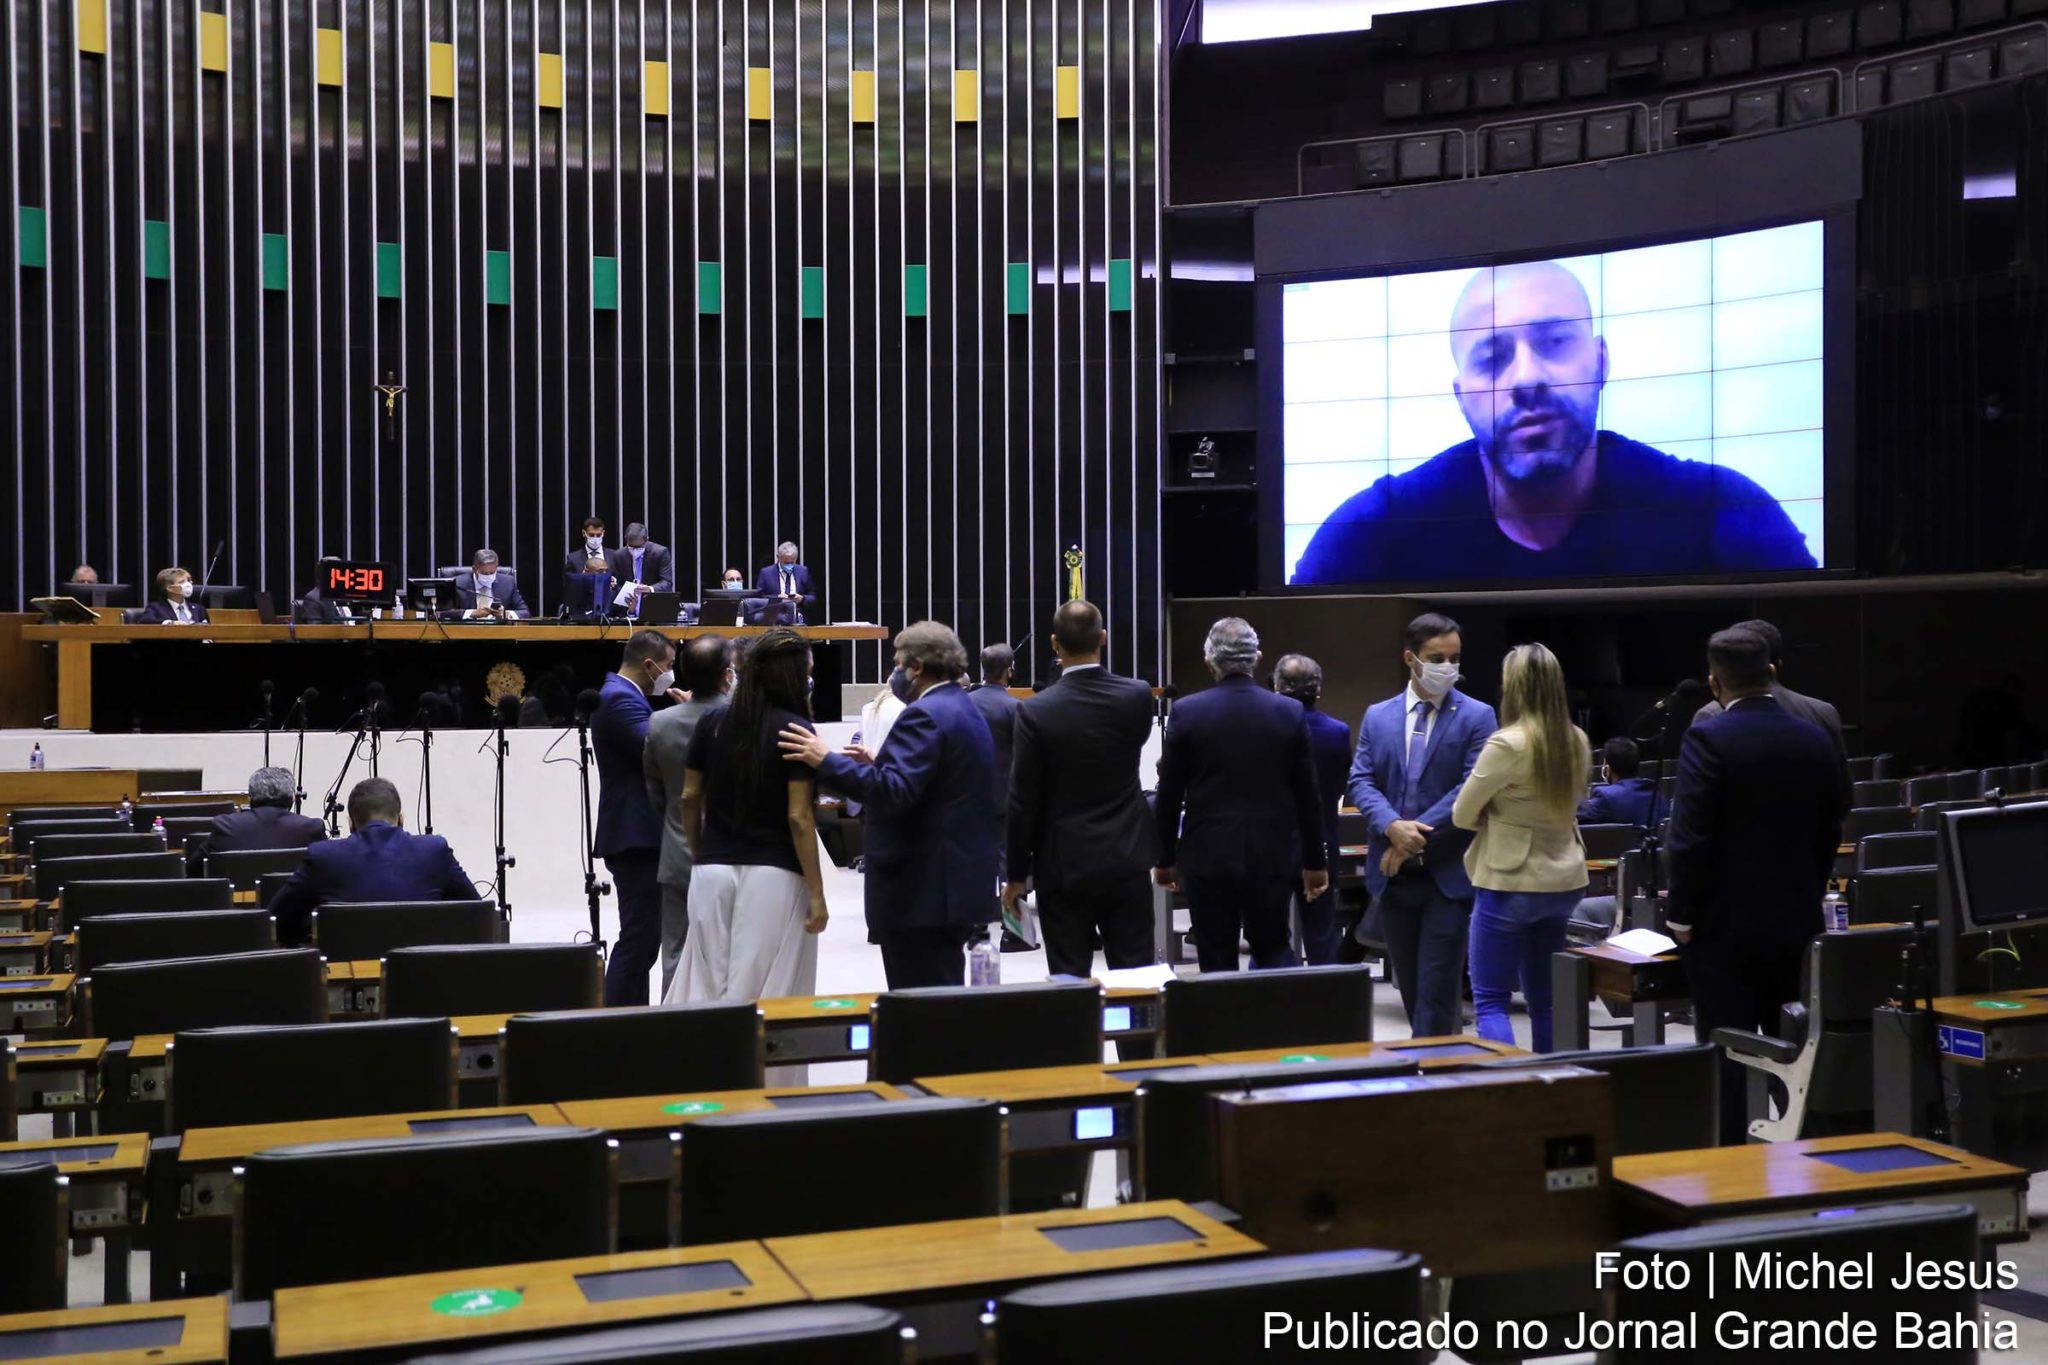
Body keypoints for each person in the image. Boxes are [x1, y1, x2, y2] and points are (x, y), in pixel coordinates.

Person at [1292, 261, 1816, 585]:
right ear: (1460, 396)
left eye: (1554, 342)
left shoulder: (1720, 509)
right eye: (1492, 357)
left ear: (1601, 362)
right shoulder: (1371, 530)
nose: (1527, 378)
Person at [1667, 626, 1847, 1145]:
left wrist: (1681, 914)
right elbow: (1833, 823)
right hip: (1797, 919)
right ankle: (1802, 1149)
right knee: (1792, 1045)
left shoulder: (1707, 737)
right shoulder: (1814, 736)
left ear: (1714, 682)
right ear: (1772, 672)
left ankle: (1732, 1156)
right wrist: (1808, 886)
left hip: (1724, 928)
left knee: (1728, 1048)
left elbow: (1690, 837)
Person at [781, 622, 999, 988]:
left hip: (922, 890)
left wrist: (825, 760)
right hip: (952, 883)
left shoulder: (923, 714)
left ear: (917, 666)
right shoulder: (961, 706)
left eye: (898, 663)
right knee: (943, 993)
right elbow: (932, 783)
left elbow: (893, 792)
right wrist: (880, 764)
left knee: (920, 1002)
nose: (895, 672)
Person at [1347, 612, 1496, 1038]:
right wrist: (1392, 826)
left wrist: (1409, 837)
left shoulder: (1478, 715)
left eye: (1454, 658)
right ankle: (1439, 1063)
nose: (1448, 667)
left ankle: (1428, 1068)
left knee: (1437, 990)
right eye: (1437, 658)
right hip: (1394, 878)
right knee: (1412, 990)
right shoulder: (1379, 715)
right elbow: (1361, 780)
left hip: (1447, 874)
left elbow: (1470, 788)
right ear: (1410, 658)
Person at [1153, 619, 1329, 972]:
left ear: (1209, 662)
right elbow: (1308, 796)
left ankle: (1222, 1010)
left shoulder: (1187, 711)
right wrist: (1314, 862)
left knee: (1215, 957)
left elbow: (1169, 793)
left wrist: (1164, 858)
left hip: (1208, 855)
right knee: (1273, 949)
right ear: (1258, 658)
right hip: (1272, 855)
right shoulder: (1289, 711)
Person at [667, 628, 827, 1015]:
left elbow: (689, 797)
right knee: (769, 991)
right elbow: (799, 817)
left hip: (711, 869)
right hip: (775, 873)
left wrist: (699, 851)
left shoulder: (712, 722)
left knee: (704, 985)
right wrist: (818, 893)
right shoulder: (797, 730)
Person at [1003, 601, 1157, 979]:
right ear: (1103, 638)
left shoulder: (1035, 710)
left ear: (1054, 644)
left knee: (1069, 980)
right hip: (1126, 856)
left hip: (1062, 863)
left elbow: (1023, 800)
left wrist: (1017, 875)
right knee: (1135, 979)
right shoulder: (1138, 695)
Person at [1452, 644, 1591, 1052]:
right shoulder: (1577, 739)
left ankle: (1509, 1083)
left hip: (1510, 881)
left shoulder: (1506, 744)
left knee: (1491, 1001)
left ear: (1512, 687)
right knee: (1545, 1002)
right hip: (1564, 881)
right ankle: (1548, 1080)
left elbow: (1462, 814)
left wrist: (1495, 816)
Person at [266, 777, 480, 944]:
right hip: (422, 974)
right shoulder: (435, 850)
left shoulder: (323, 856)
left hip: (343, 973)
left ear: (351, 823)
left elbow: (276, 921)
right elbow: (476, 914)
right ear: (401, 819)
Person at [643, 635, 733, 998]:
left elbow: (656, 794)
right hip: (734, 853)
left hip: (678, 847)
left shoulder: (660, 723)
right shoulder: (744, 719)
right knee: (731, 953)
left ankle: (673, 1023)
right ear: (727, 674)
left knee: (675, 954)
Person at [592, 629, 675, 1004]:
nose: (670, 674)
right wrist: (688, 716)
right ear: (649, 664)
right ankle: (617, 1018)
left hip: (639, 831)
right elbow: (657, 751)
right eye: (669, 665)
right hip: (634, 833)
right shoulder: (619, 699)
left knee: (645, 940)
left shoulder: (625, 695)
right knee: (638, 938)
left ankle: (632, 1016)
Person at [1275, 652, 1354, 964]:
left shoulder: (1267, 729)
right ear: (1318, 690)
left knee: (1271, 936)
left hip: (1273, 844)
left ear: (1277, 688)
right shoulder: (1338, 732)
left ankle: (1273, 990)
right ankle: (1327, 992)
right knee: (1322, 934)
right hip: (1322, 840)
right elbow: (1342, 784)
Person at [969, 644, 1022, 853]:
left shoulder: (964, 702)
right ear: (1010, 670)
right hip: (1004, 797)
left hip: (967, 794)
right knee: (1003, 858)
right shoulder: (1015, 707)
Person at [207, 767, 326, 853]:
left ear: (249, 798)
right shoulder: (311, 828)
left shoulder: (226, 826)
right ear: (292, 798)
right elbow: (326, 868)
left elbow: (197, 868)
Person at [1578, 737, 1655, 827]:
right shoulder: (1656, 793)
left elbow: (1574, 815)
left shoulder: (1605, 796)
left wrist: (1581, 795)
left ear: (1607, 769)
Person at [612, 523, 675, 618]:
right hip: (628, 610)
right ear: (626, 539)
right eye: (631, 547)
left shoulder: (660, 553)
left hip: (655, 608)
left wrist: (650, 589)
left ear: (646, 540)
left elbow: (667, 582)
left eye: (638, 547)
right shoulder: (619, 555)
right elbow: (617, 583)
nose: (634, 550)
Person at [451, 549, 529, 619]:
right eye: (484, 573)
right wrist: (471, 613)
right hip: (467, 629)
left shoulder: (508, 583)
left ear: (496, 567)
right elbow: (445, 613)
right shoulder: (457, 584)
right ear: (474, 569)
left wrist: (505, 614)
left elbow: (525, 612)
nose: (489, 576)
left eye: (492, 573)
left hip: (498, 629)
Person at [751, 542, 816, 625]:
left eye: (792, 562)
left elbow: (813, 597)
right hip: (774, 619)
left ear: (796, 558)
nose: (789, 565)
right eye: (786, 562)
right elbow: (759, 598)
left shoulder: (803, 571)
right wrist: (777, 598)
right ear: (778, 557)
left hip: (798, 619)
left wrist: (802, 599)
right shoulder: (766, 573)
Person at [136, 566, 210, 624]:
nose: (188, 584)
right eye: (182, 582)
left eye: (189, 580)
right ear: (170, 588)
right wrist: (170, 623)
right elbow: (145, 621)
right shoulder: (156, 608)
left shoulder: (198, 608)